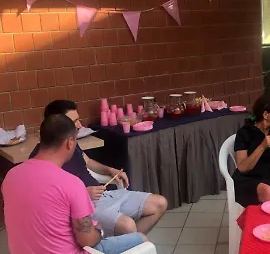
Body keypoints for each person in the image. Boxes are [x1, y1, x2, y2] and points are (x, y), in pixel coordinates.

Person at [2, 114, 147, 254]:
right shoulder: (71, 183)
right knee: (141, 242)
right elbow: (87, 240)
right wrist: (99, 232)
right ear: (70, 142)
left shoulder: (11, 176)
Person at [29, 100, 167, 237]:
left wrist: (110, 170)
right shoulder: (41, 160)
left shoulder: (71, 142)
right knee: (128, 226)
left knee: (160, 204)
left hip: (103, 195)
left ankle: (124, 244)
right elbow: (50, 200)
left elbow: (87, 161)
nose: (80, 125)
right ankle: (127, 244)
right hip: (83, 207)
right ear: (57, 123)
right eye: (74, 121)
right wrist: (82, 194)